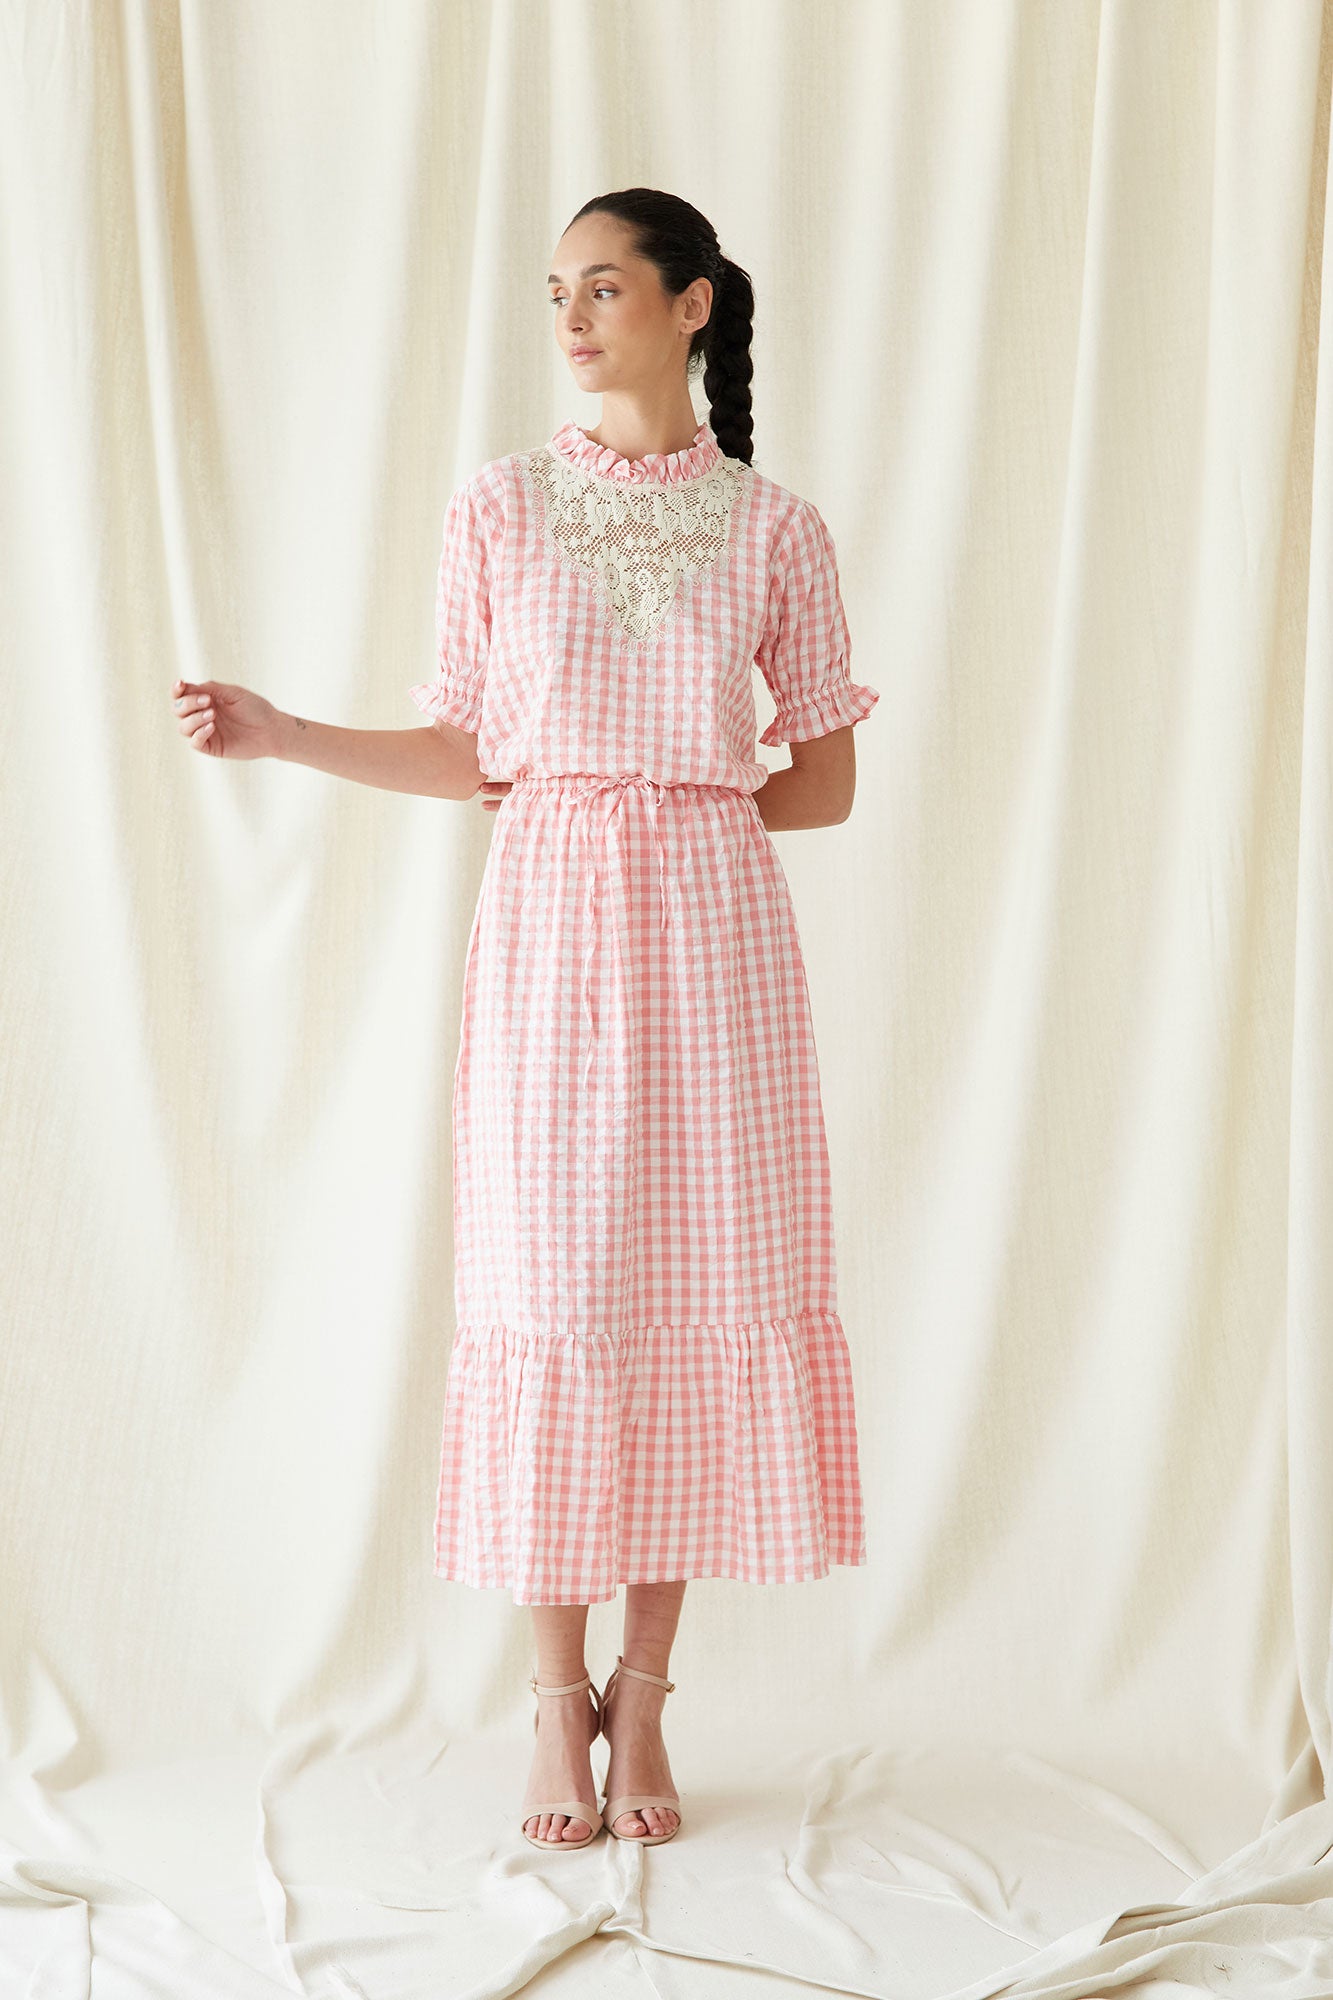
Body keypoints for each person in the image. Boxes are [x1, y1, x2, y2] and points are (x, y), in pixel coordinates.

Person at [170, 187, 879, 1852]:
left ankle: (648, 1695)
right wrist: (283, 734)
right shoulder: (497, 506)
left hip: (716, 952)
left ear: (692, 305)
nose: (568, 317)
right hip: (549, 941)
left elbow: (825, 784)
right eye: (555, 290)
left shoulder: (775, 529)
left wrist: (669, 808)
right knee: (554, 1295)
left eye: (604, 287)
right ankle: (554, 1702)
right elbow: (466, 749)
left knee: (698, 1293)